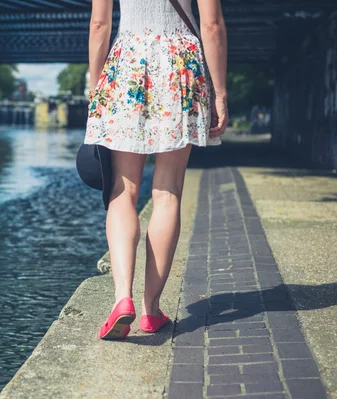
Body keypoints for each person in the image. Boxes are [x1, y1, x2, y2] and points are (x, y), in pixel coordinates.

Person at [84, 0, 228, 339]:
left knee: (122, 191)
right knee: (167, 192)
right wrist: (220, 93)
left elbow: (99, 25)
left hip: (128, 63)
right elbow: (212, 26)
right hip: (182, 64)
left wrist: (96, 88)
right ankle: (150, 310)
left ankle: (122, 299)